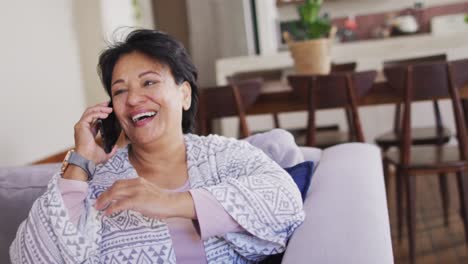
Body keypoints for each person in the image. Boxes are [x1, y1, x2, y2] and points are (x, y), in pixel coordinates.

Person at [10, 29, 304, 264]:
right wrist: (80, 161)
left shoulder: (223, 155)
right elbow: (30, 257)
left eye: (149, 82)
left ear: (184, 94)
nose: (134, 99)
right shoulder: (97, 181)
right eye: (120, 90)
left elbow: (286, 203)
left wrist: (172, 203)